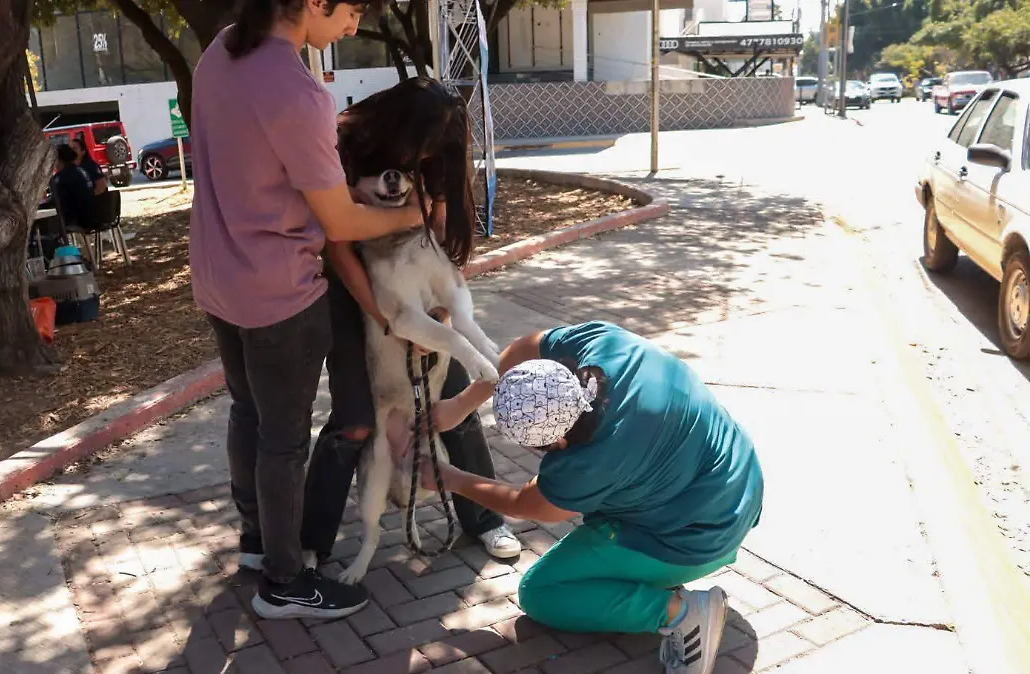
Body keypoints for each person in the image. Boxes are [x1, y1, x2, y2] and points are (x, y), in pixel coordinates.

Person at [187, 0, 427, 621]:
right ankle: (286, 582)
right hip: (277, 293)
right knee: (284, 440)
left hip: (218, 279)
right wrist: (419, 215)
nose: (354, 26)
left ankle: (256, 545)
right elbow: (341, 220)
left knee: (249, 413)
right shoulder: (296, 89)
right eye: (351, 11)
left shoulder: (220, 52)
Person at [390, 321, 765, 674]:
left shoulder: (589, 461)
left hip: (699, 537)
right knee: (605, 508)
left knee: (542, 592)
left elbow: (528, 506)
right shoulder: (606, 345)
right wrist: (460, 405)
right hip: (741, 487)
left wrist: (449, 477)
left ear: (560, 441)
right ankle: (650, 577)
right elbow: (524, 349)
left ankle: (680, 613)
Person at [300, 78, 522, 565]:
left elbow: (439, 235)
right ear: (397, 127)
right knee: (355, 417)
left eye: (431, 151)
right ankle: (311, 543)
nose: (421, 158)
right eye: (415, 148)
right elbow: (339, 244)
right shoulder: (343, 143)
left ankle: (484, 519)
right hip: (350, 279)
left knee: (452, 398)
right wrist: (383, 316)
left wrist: (439, 312)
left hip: (414, 272)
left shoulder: (436, 153)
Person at [51, 144, 95, 230]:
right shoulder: (80, 170)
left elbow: (56, 201)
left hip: (76, 219)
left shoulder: (61, 177)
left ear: (58, 159)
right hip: (91, 215)